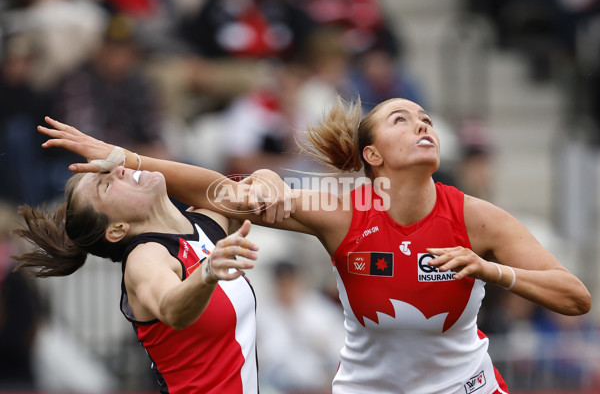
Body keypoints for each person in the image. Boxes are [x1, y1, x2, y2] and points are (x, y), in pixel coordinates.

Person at [35, 95, 591, 394]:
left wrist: (495, 274)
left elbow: (575, 297)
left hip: (464, 386)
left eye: (425, 118)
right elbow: (225, 191)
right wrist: (263, 181)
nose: (423, 124)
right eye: (402, 119)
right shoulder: (344, 207)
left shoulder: (476, 217)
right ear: (372, 156)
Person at [11, 128, 294, 393]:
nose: (120, 171)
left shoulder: (205, 225)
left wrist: (265, 175)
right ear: (117, 229)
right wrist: (207, 273)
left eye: (111, 170)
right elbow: (171, 308)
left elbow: (231, 192)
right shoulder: (144, 258)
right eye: (106, 186)